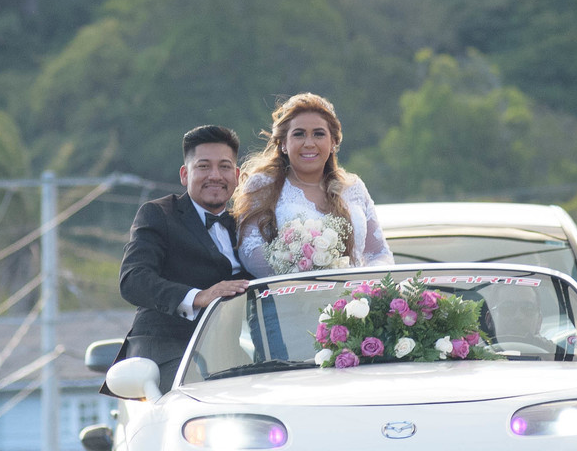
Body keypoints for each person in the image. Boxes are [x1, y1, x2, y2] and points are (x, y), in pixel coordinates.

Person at [118, 124, 252, 387]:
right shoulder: (158, 214)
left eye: (224, 167)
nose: (215, 175)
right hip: (164, 352)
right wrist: (198, 296)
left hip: (228, 354)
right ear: (184, 174)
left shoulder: (247, 225)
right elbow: (133, 280)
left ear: (237, 176)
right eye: (204, 166)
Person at [233, 92, 392, 276]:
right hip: (291, 291)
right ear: (283, 143)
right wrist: (308, 270)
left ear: (333, 142)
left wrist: (363, 281)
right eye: (299, 134)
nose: (309, 143)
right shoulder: (262, 184)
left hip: (353, 292)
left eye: (318, 134)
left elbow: (380, 253)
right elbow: (250, 253)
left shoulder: (354, 188)